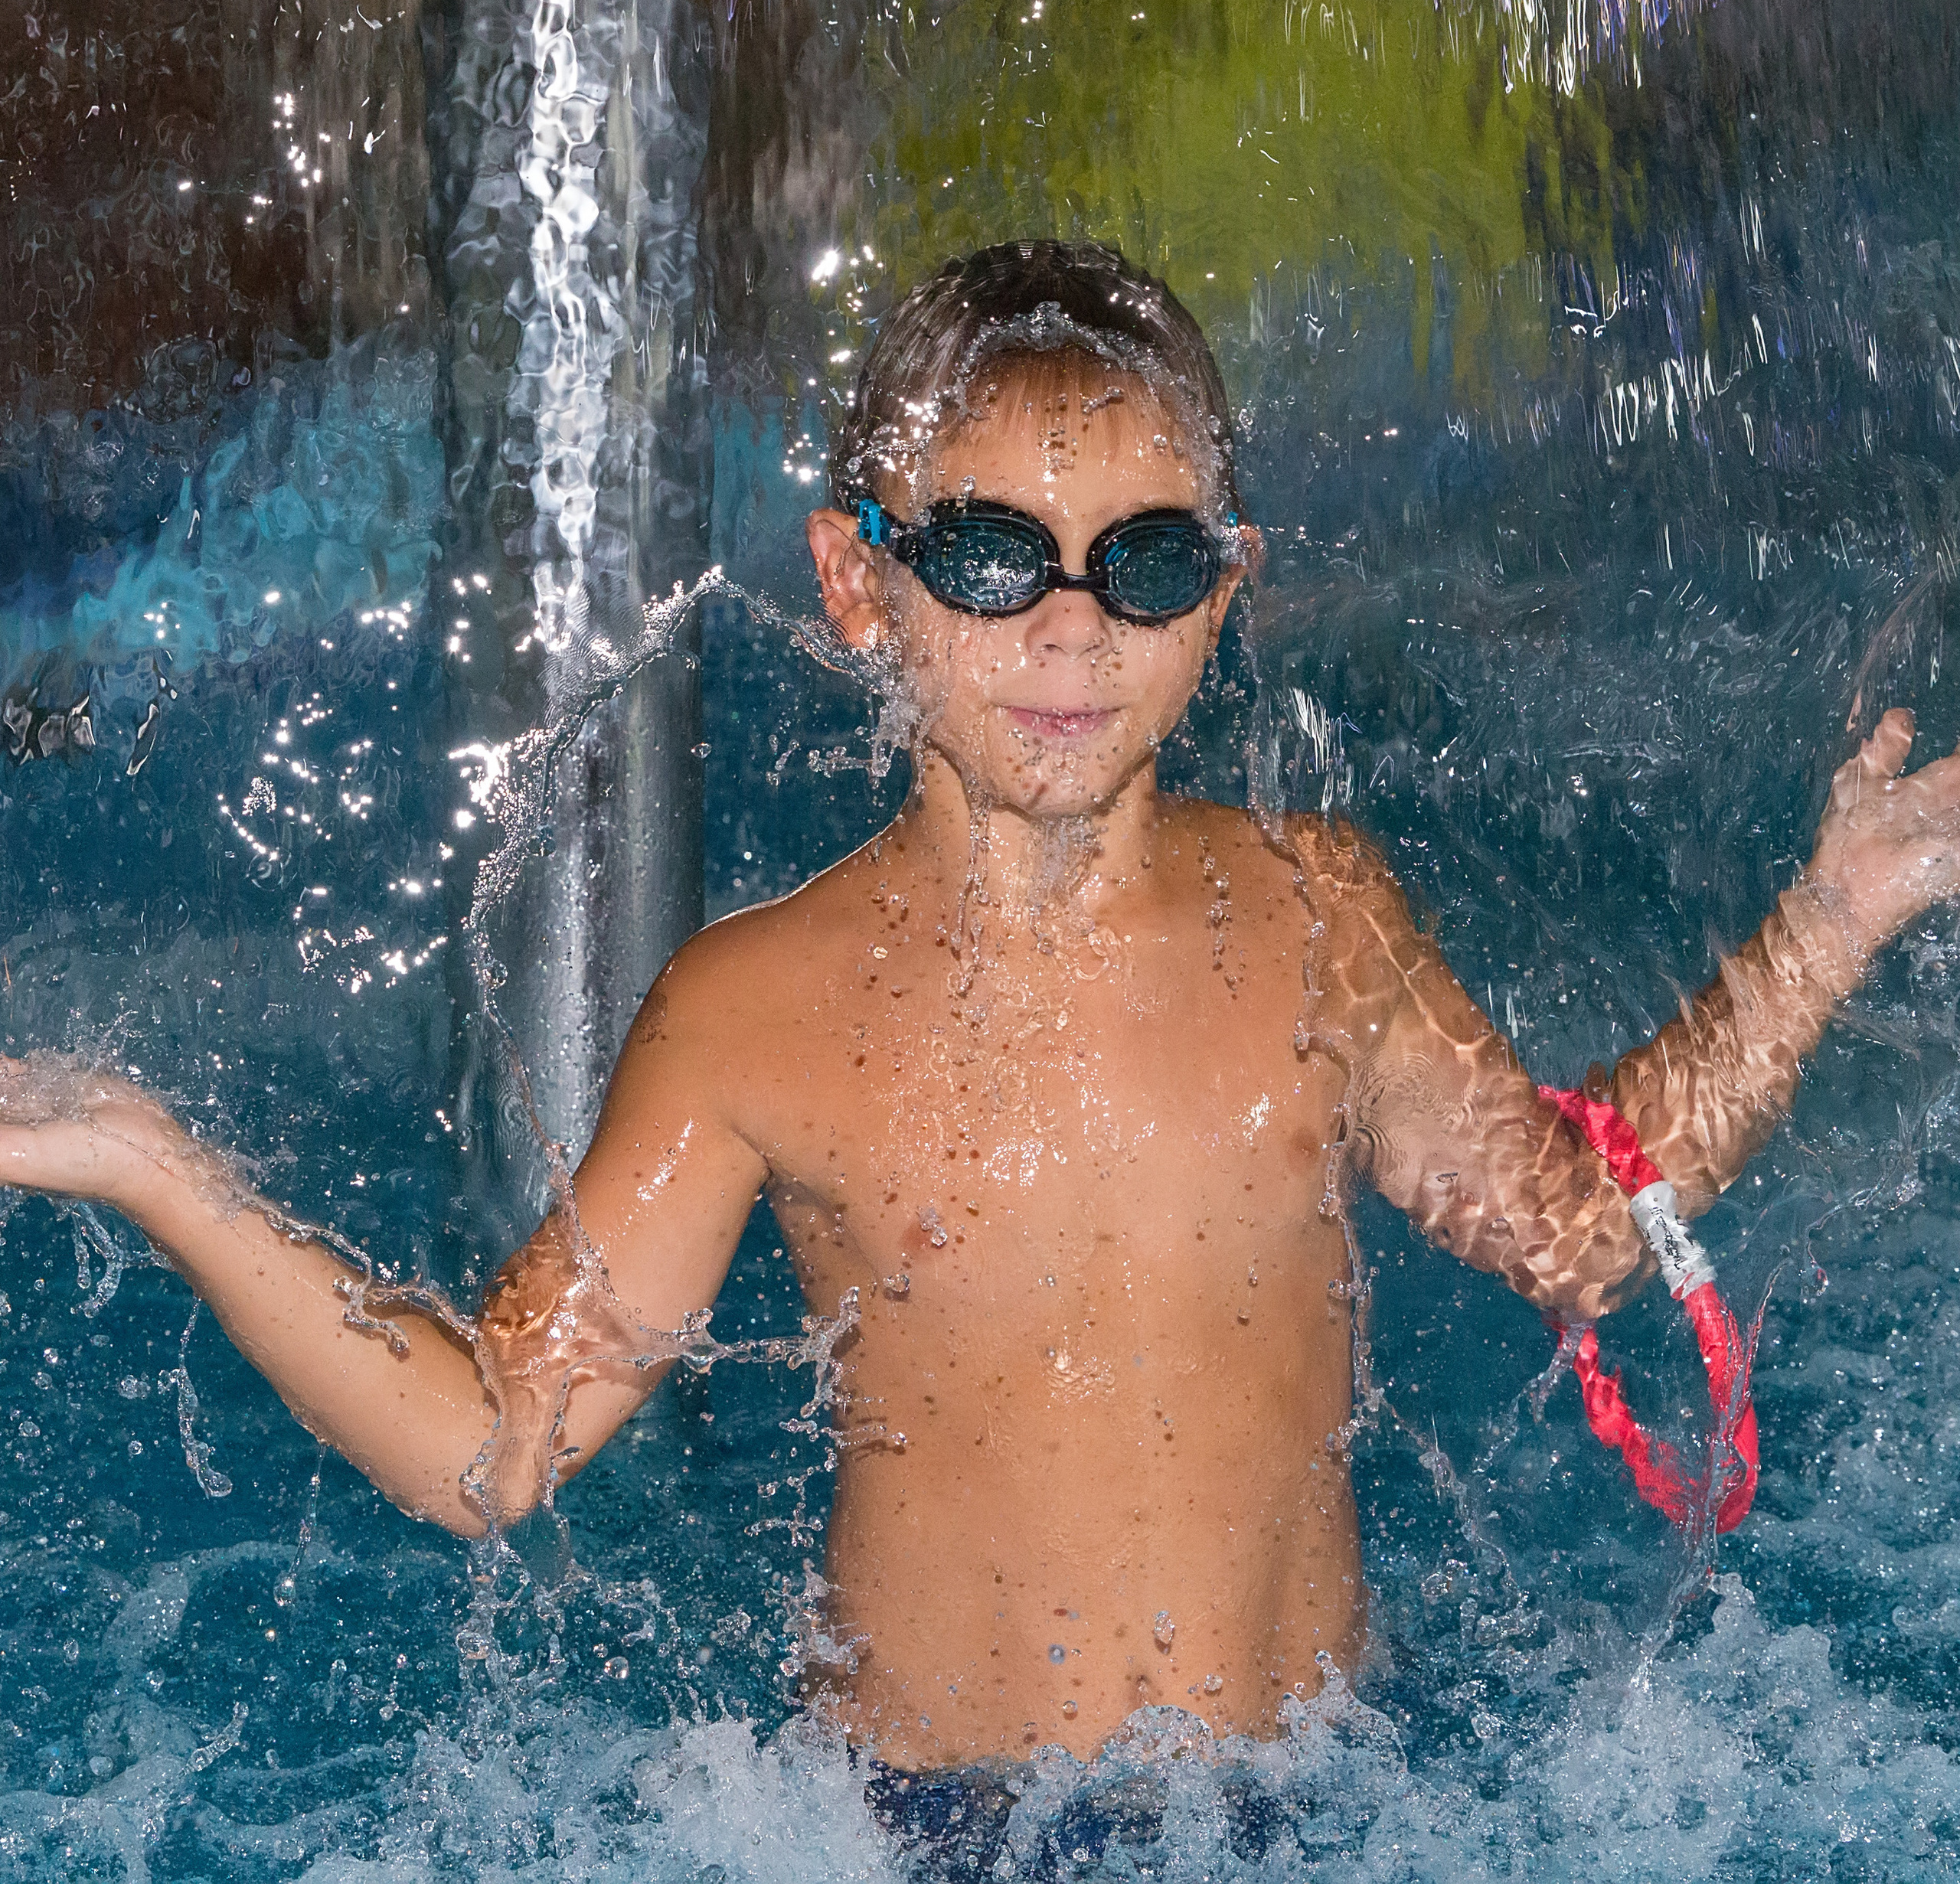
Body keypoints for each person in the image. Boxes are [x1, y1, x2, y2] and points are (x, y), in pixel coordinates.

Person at [2, 241, 1957, 1791]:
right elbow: (498, 1438)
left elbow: (1578, 1232)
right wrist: (148, 1159)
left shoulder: (1313, 915)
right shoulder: (753, 1007)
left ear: (1223, 592)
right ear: (861, 585)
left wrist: (1826, 917)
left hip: (1332, 1800)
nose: (1068, 631)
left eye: (1146, 563)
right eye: (992, 555)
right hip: (923, 1824)